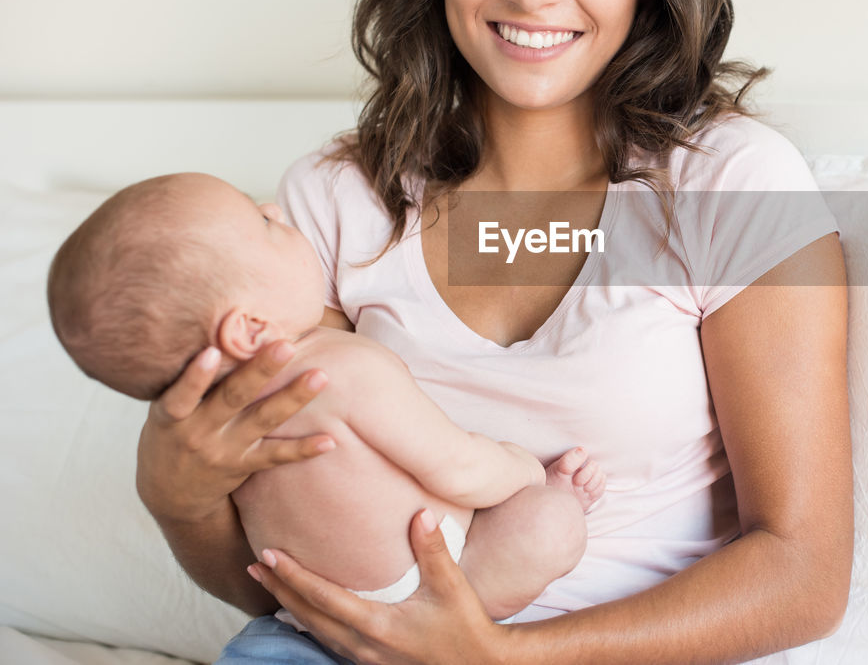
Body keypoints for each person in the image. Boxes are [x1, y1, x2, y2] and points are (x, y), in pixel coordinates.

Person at [134, 0, 853, 662]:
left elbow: (803, 574)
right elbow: (294, 569)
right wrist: (178, 500)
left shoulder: (728, 182)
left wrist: (498, 655)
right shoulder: (333, 201)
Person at [46, 172, 607, 632]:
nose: (276, 208)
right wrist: (528, 470)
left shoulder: (207, 425)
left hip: (305, 621)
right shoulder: (339, 369)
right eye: (263, 223)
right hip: (439, 578)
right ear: (248, 329)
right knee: (551, 523)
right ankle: (475, 609)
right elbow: (459, 466)